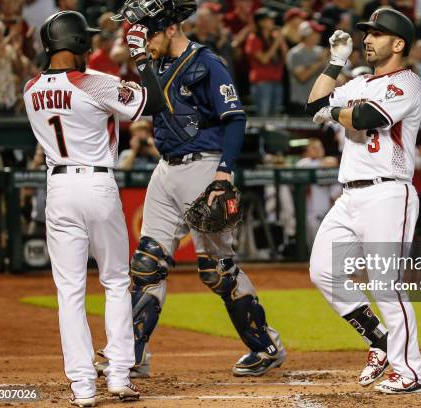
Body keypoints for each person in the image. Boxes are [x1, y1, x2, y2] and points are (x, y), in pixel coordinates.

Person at [96, 0, 286, 379]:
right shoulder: (159, 65)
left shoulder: (207, 63)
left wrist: (224, 172)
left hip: (203, 165)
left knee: (217, 269)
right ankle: (133, 355)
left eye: (148, 33)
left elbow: (234, 118)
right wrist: (142, 62)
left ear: (170, 29)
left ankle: (265, 346)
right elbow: (153, 103)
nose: (143, 42)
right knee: (147, 264)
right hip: (165, 168)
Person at [23, 10, 166, 406]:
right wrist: (140, 55)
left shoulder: (31, 88)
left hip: (59, 187)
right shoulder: (95, 83)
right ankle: (119, 374)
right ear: (78, 44)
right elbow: (153, 101)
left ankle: (83, 387)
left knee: (69, 290)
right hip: (97, 182)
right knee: (116, 281)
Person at [306, 8, 421, 394]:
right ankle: (378, 339)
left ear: (399, 43)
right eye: (367, 33)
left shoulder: (408, 83)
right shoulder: (358, 79)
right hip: (350, 194)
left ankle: (410, 372)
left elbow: (366, 117)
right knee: (323, 271)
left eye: (377, 34)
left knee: (386, 285)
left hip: (389, 192)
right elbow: (313, 104)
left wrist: (335, 112)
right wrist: (336, 63)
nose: (367, 39)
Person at [295, 138, 340, 248]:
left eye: (320, 147)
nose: (318, 150)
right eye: (314, 148)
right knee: (314, 245)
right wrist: (327, 163)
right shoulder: (303, 163)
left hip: (327, 210)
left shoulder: (328, 164)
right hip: (310, 212)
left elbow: (336, 190)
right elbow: (324, 164)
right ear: (307, 151)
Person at [244, 8, 288, 116]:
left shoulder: (274, 37)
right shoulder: (253, 39)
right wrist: (277, 42)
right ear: (260, 22)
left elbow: (286, 57)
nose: (272, 21)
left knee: (275, 115)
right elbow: (264, 59)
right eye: (269, 19)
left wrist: (280, 41)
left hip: (277, 80)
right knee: (264, 115)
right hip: (262, 82)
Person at [286, 20, 328, 115]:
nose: (319, 35)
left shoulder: (320, 51)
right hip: (301, 103)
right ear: (306, 34)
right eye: (315, 33)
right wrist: (320, 62)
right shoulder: (295, 53)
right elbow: (302, 77)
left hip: (318, 102)